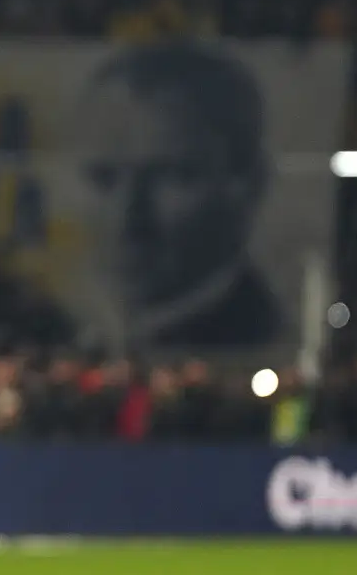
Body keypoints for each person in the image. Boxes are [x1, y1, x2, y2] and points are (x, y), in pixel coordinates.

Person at [70, 41, 282, 352]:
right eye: (102, 178)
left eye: (170, 176)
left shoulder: (266, 340)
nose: (124, 218)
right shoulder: (73, 331)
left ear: (250, 185)